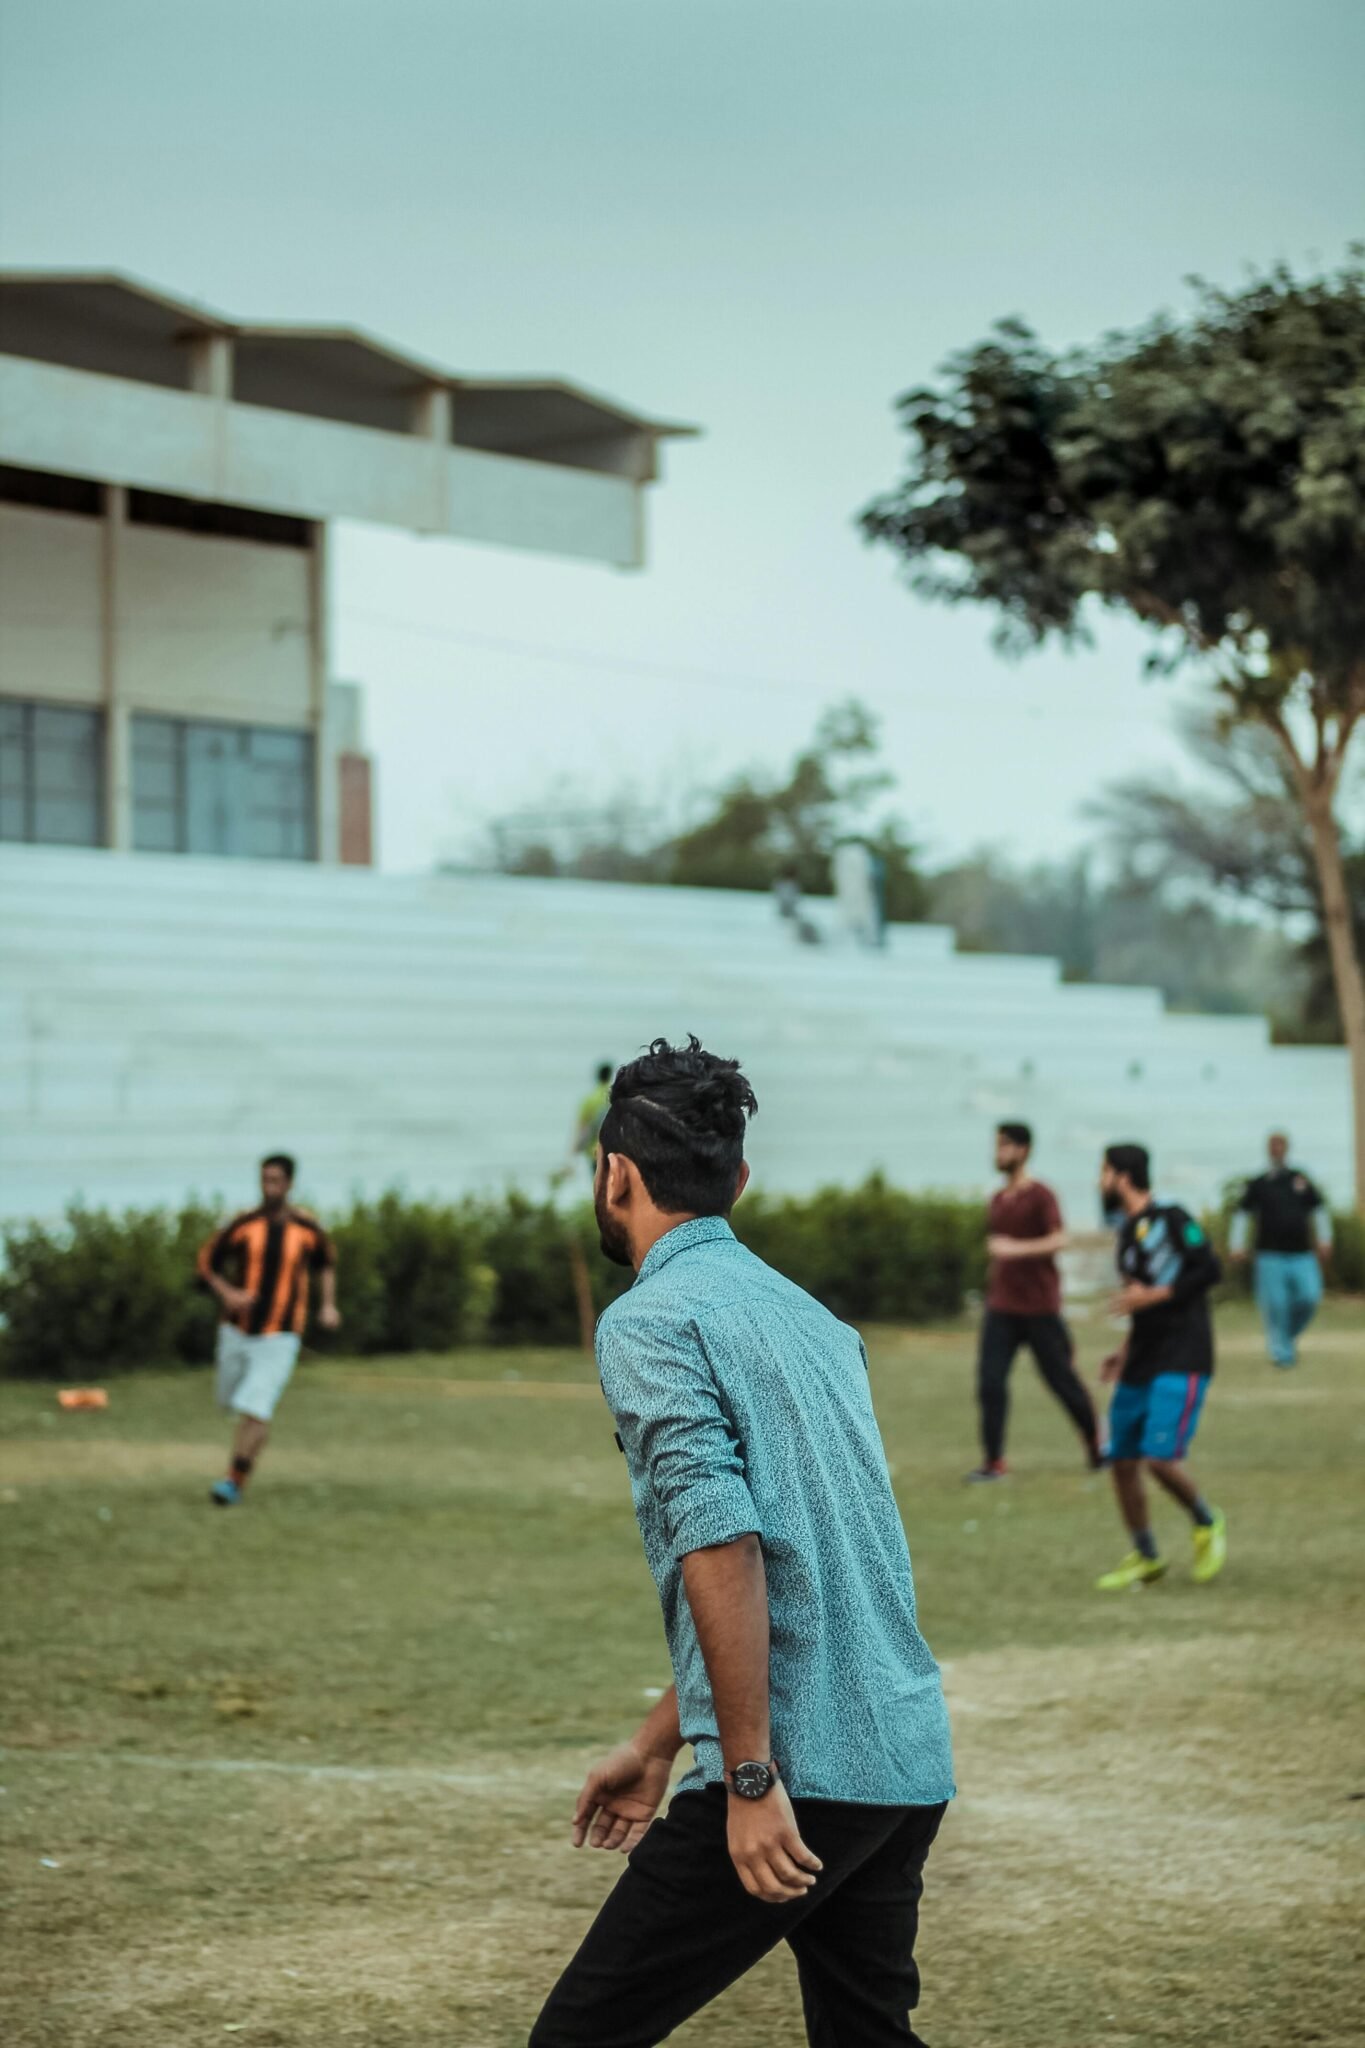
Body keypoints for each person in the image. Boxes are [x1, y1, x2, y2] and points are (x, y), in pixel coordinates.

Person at [531, 1036, 954, 2048]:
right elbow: (808, 1572)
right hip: (900, 1760)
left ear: (615, 1174)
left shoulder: (651, 1320)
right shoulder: (813, 1319)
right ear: (740, 1180)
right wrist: (654, 1742)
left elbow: (725, 1547)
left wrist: (750, 1778)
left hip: (797, 1773)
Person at [1093, 1143, 1227, 1592]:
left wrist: (1155, 1296)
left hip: (1183, 1355)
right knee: (1122, 1460)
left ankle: (1207, 1521)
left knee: (1158, 1459)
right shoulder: (1129, 1235)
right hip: (1142, 1360)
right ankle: (1146, 1555)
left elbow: (1210, 1269)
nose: (1099, 1182)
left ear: (1123, 1176)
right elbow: (1140, 1304)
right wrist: (1124, 1350)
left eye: (1104, 1172)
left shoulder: (1173, 1219)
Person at [196, 1154, 339, 1506]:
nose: (269, 1187)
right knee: (229, 1401)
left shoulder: (307, 1228)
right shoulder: (244, 1223)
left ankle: (233, 1480)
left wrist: (327, 1305)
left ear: (289, 1184)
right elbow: (206, 1263)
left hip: (282, 1334)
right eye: (265, 1180)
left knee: (257, 1408)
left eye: (276, 1180)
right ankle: (239, 1468)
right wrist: (229, 1293)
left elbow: (326, 1264)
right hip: (236, 1331)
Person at [967, 1122, 1101, 1481]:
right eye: (996, 1145)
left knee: (1062, 1381)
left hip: (1040, 1308)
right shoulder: (997, 1198)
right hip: (1001, 1308)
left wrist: (1014, 1249)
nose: (998, 1153)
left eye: (1005, 1146)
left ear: (1023, 1150)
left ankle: (1095, 1442)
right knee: (990, 1383)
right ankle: (994, 1462)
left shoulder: (1042, 1195)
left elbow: (1060, 1239)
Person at [1230, 1132, 1334, 1369]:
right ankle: (1282, 1354)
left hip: (1301, 1253)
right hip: (1269, 1255)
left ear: (1287, 1148)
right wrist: (1237, 1245)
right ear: (1267, 1149)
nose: (1277, 1149)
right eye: (1273, 1145)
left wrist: (1325, 1239)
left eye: (1280, 1145)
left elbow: (1318, 1209)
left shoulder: (1300, 1179)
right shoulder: (1259, 1183)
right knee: (1276, 1305)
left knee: (1309, 1297)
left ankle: (1286, 1337)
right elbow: (1242, 1215)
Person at [571, 1062, 614, 1171]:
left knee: (599, 1185)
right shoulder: (616, 1097)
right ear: (610, 1076)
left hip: (594, 1152)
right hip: (616, 1151)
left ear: (597, 1076)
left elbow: (584, 1129)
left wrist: (575, 1150)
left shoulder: (590, 1099)